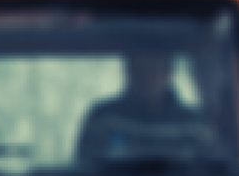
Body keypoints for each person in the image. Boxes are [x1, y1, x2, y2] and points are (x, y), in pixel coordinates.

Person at [75, 51, 219, 164]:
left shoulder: (194, 125)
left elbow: (216, 175)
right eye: (139, 69)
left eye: (154, 69)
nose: (147, 77)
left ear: (168, 74)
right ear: (128, 73)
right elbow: (84, 169)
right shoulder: (104, 119)